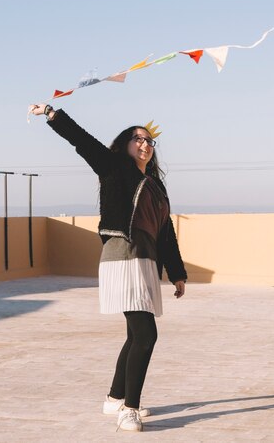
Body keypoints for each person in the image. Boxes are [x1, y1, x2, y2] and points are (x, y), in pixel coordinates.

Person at [29, 103, 187, 433]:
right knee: (146, 335)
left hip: (145, 261)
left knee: (135, 335)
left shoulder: (156, 187)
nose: (145, 144)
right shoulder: (115, 168)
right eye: (137, 139)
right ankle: (129, 409)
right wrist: (53, 114)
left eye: (149, 141)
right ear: (125, 145)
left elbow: (165, 230)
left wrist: (177, 272)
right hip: (122, 256)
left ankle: (115, 398)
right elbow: (82, 141)